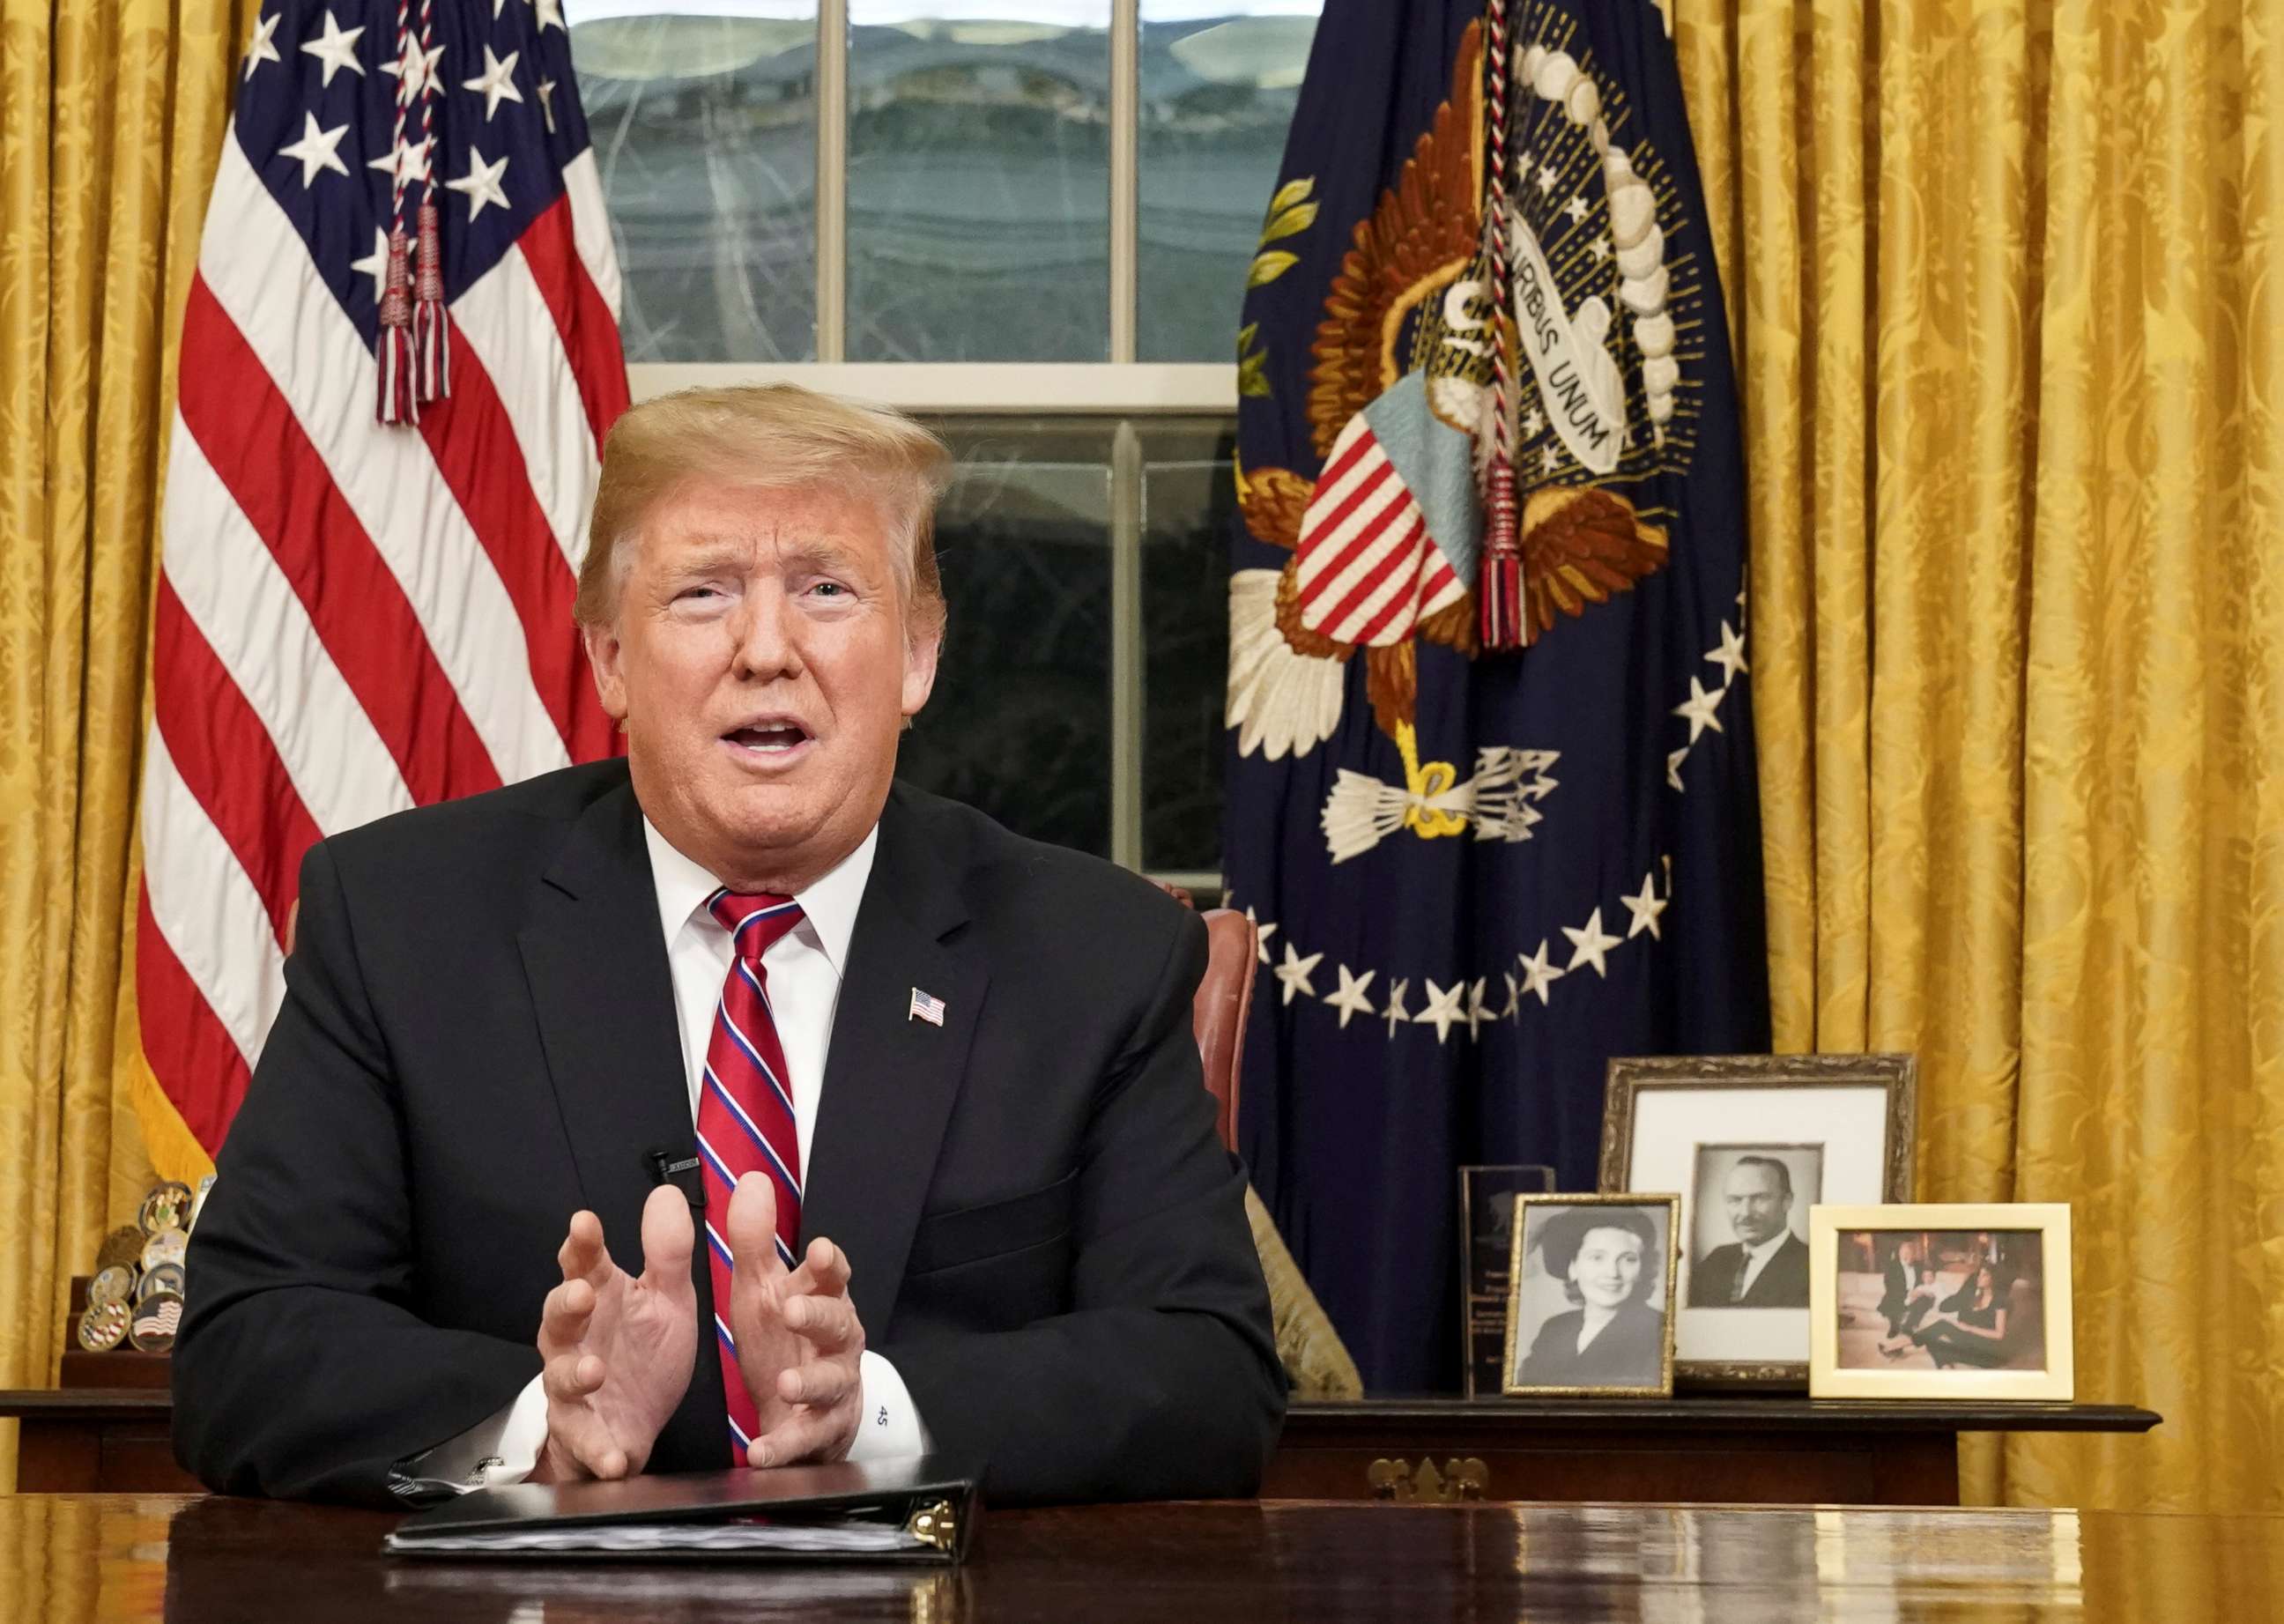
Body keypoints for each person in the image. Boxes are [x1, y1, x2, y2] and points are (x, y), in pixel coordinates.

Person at [173, 384, 1285, 1507]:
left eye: (827, 589)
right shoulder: (404, 924)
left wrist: (877, 1412)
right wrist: (539, 1421)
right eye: (703, 594)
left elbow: (1208, 1370)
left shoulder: (1095, 957)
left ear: (918, 655)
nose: (766, 649)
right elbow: (245, 1344)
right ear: (609, 658)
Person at [1516, 1206, 1668, 1388]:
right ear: (1572, 1267)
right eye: (1597, 1258)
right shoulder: (1554, 1328)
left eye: (1628, 1259)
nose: (1613, 1273)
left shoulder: (1657, 1329)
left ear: (1642, 1270)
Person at [1687, 1155, 1810, 1308]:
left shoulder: (1810, 1264)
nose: (1745, 1213)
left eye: (1760, 1198)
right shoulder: (1716, 1260)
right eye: (1735, 1200)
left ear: (1787, 1201)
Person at [1904, 1264, 2015, 1368]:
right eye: (1979, 1275)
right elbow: (1966, 1317)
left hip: (1989, 1351)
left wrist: (1970, 1328)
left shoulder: (2000, 1301)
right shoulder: (1977, 1296)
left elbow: (1999, 1334)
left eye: (1984, 1275)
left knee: (1940, 1331)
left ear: (1993, 1279)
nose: (1979, 1278)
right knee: (1934, 1337)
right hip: (1974, 1341)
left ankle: (1898, 1345)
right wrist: (1962, 1325)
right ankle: (1945, 1367)